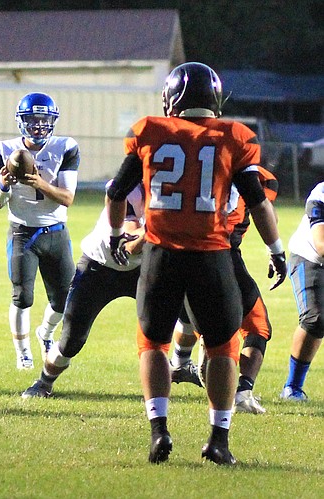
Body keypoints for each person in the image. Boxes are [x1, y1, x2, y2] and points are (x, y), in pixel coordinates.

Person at [105, 62, 287, 465]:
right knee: (223, 346)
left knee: (152, 341)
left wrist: (118, 236)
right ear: (215, 100)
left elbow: (117, 191)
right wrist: (275, 249)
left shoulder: (149, 130)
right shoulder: (235, 136)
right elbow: (257, 201)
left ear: (172, 99)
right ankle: (218, 439)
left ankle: (159, 432)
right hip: (212, 255)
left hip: (160, 253)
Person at [170, 166, 280, 415]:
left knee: (186, 319)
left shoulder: (196, 168)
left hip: (181, 252)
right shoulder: (260, 178)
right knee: (255, 327)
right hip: (222, 255)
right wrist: (276, 252)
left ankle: (180, 362)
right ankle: (240, 393)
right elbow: (267, 214)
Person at [22, 182, 145, 398]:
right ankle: (44, 382)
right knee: (71, 341)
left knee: (180, 317)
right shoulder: (132, 189)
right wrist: (161, 225)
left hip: (144, 267)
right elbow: (130, 244)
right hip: (100, 265)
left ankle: (181, 361)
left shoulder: (178, 192)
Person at [0, 92, 79, 370]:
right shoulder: (4, 150)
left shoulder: (66, 147)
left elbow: (67, 198)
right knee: (22, 296)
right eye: (32, 120)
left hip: (55, 231)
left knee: (64, 300)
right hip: (22, 233)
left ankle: (46, 333)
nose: (38, 126)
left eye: (43, 120)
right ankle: (23, 352)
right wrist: (4, 185)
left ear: (52, 122)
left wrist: (40, 184)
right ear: (21, 122)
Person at [280, 181, 324, 402]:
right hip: (310, 258)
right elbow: (321, 245)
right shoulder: (321, 193)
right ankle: (292, 387)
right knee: (315, 319)